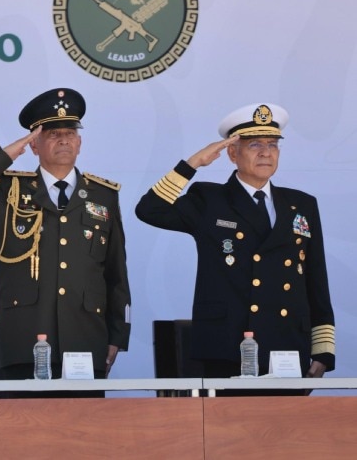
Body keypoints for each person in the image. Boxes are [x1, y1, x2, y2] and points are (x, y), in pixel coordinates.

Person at [135, 103, 334, 387]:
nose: (266, 152)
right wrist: (192, 164)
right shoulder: (209, 199)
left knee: (286, 431)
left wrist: (322, 349)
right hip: (229, 347)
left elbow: (316, 279)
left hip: (288, 346)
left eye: (273, 144)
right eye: (254, 145)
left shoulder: (301, 204)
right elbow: (149, 210)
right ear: (232, 153)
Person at [0, 88, 131, 384]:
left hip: (86, 341)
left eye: (70, 132)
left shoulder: (103, 196)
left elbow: (115, 272)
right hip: (24, 342)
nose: (64, 139)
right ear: (33, 145)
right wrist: (4, 155)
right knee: (27, 428)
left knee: (86, 428)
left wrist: (118, 335)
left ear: (80, 143)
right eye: (53, 134)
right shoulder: (8, 191)